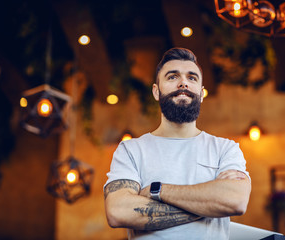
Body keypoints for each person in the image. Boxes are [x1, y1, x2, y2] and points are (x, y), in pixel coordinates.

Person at [103, 47, 251, 240]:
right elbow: (118, 211)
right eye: (172, 77)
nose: (183, 83)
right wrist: (208, 205)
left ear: (201, 92)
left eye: (192, 78)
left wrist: (158, 190)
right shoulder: (130, 150)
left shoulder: (225, 148)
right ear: (156, 91)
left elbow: (235, 201)